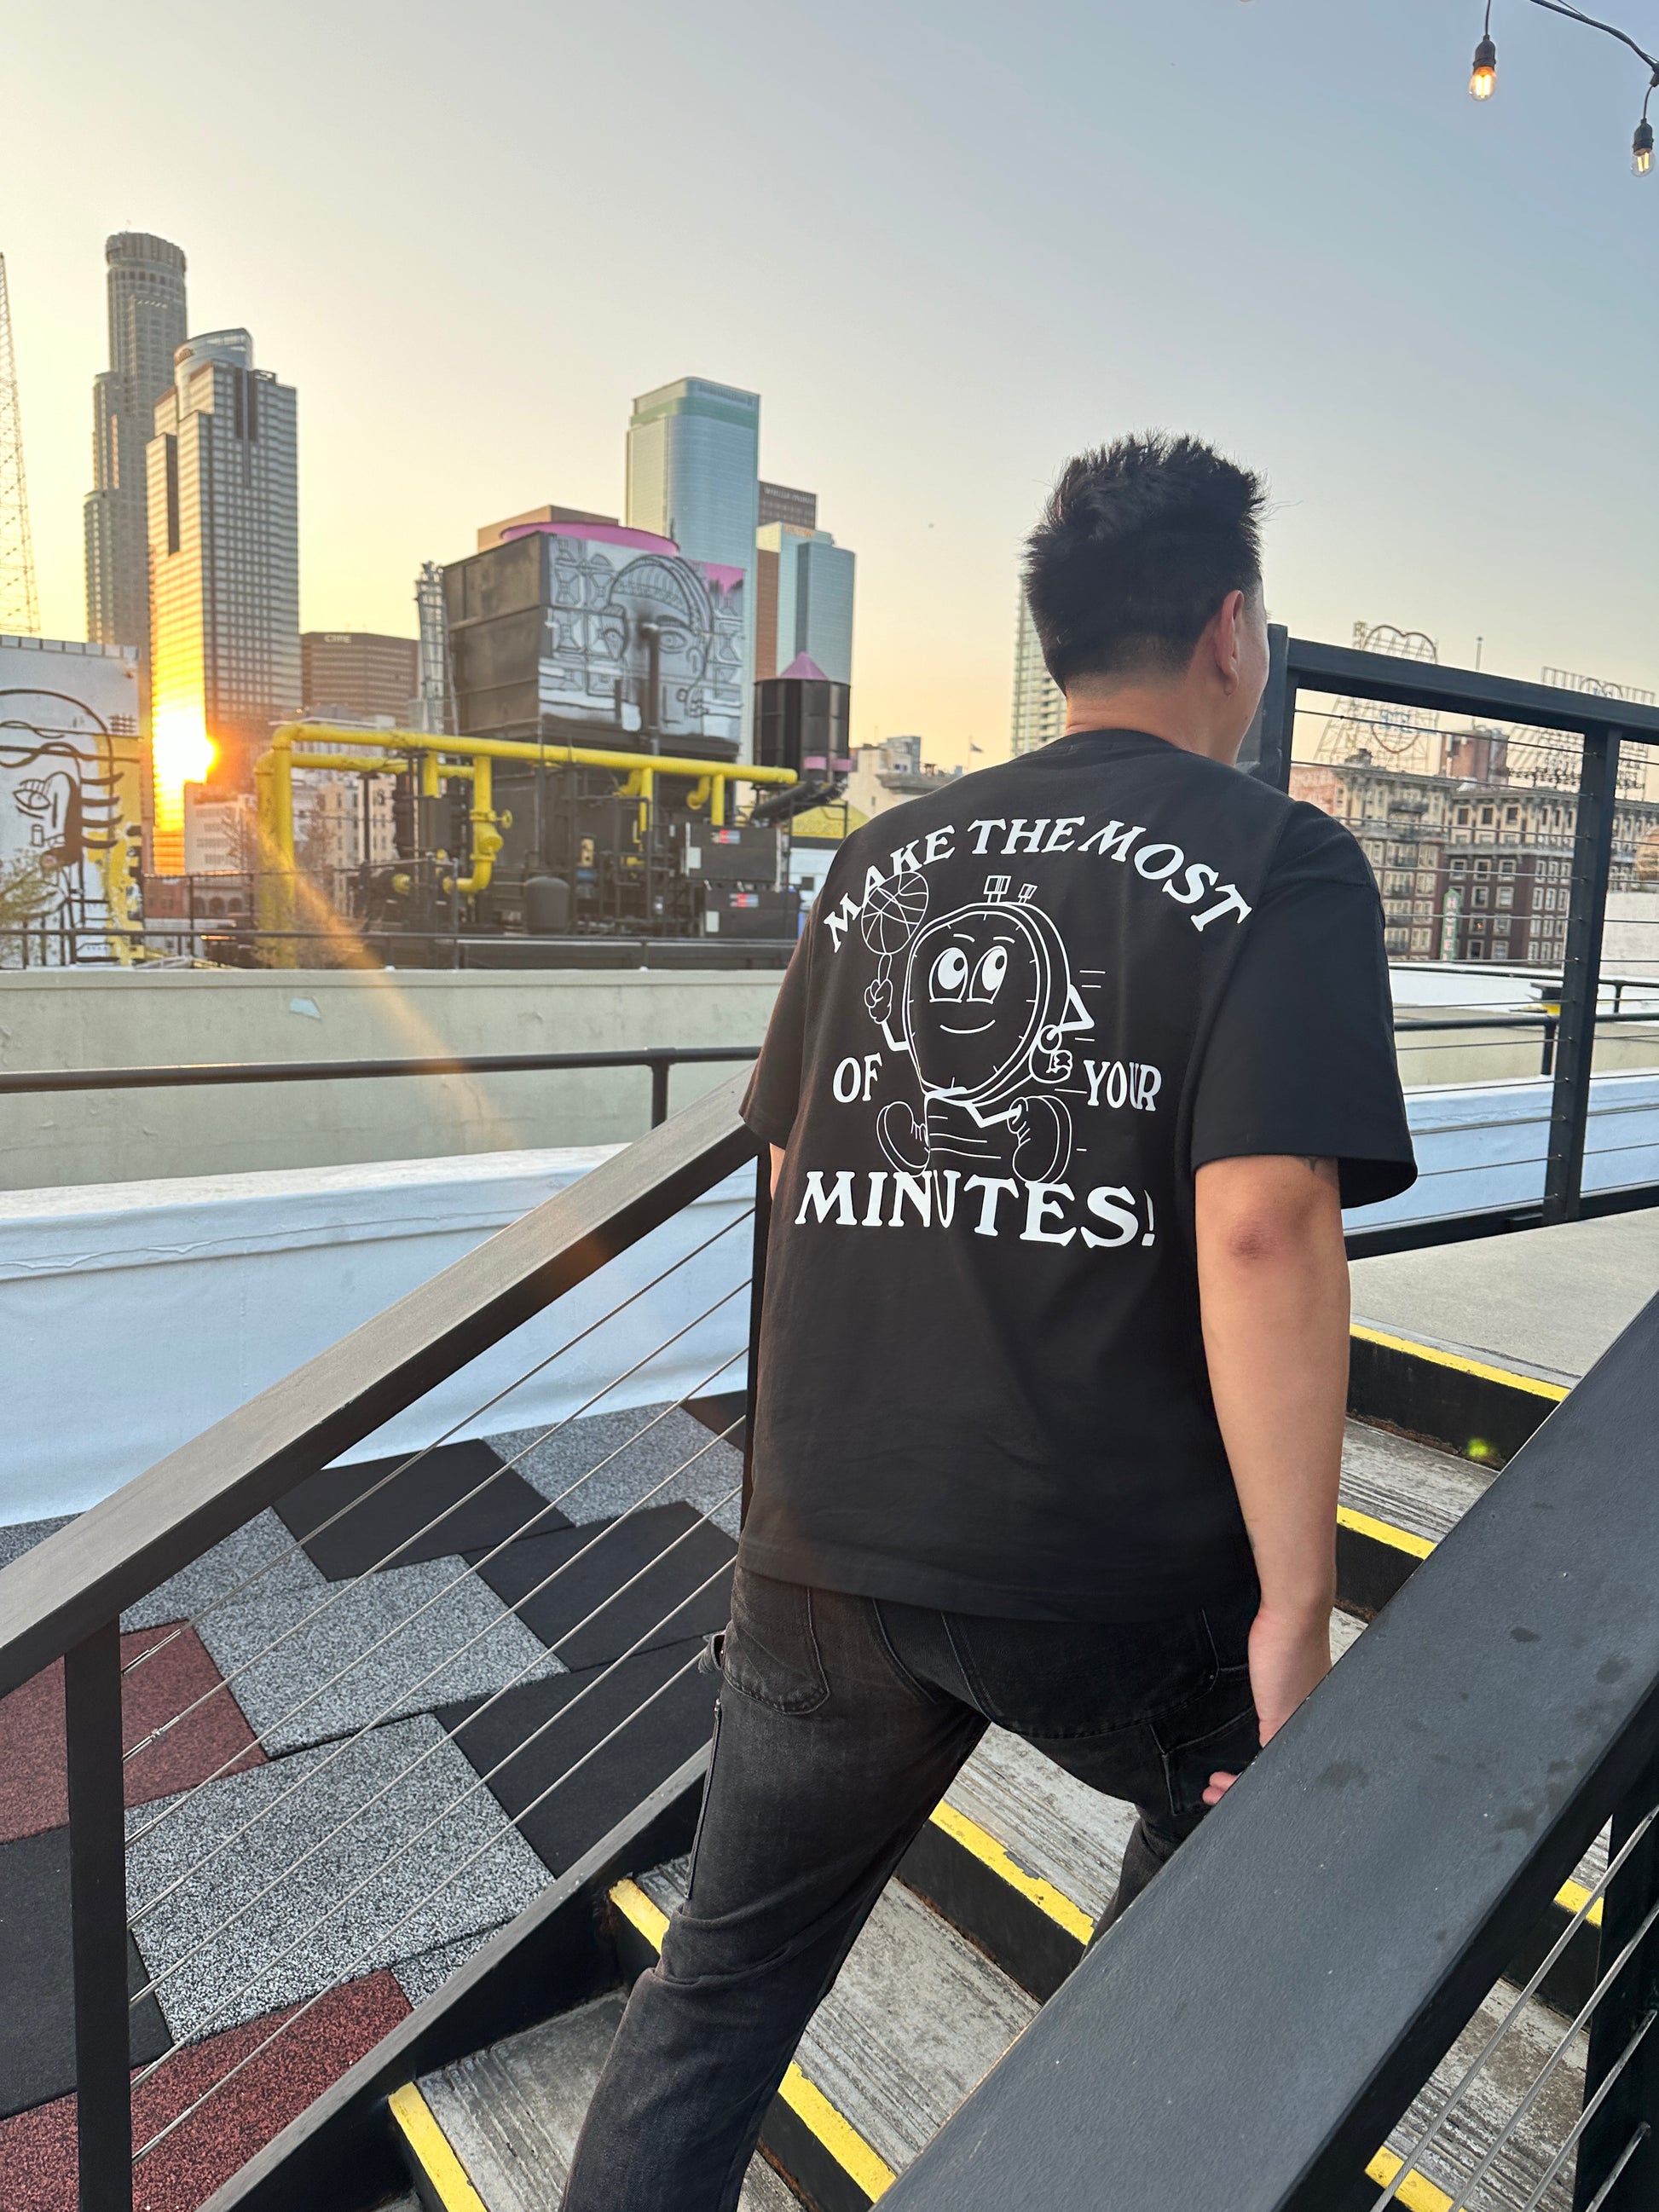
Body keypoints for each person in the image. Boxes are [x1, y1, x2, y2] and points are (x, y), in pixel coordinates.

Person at [563, 432, 1417, 2212]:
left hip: (823, 1538)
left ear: (1055, 635)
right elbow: (1260, 1226)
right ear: (1232, 631)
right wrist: (1292, 1605)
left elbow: (795, 1174)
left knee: (716, 1989)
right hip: (1101, 1567)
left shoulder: (881, 856)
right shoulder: (1282, 859)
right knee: (1222, 1889)